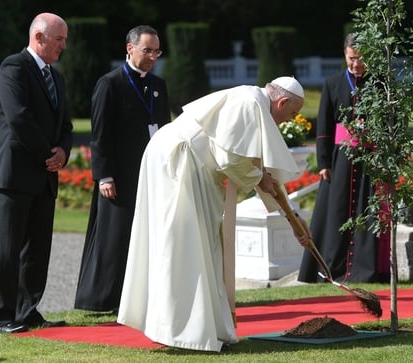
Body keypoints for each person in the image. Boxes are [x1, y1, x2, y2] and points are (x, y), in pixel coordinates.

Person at [116, 77, 309, 352]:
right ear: (283, 102)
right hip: (180, 163)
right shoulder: (251, 102)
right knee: (185, 247)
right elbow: (232, 160)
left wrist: (291, 217)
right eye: (291, 113)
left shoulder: (253, 102)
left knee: (198, 247)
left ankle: (199, 329)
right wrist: (258, 179)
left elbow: (255, 168)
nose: (288, 120)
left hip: (180, 161)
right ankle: (185, 332)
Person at [74, 25, 171, 313]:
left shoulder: (158, 86)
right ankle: (103, 299)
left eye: (157, 51)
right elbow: (100, 134)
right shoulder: (110, 83)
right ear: (130, 49)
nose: (153, 56)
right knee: (115, 238)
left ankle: (140, 297)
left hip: (149, 174)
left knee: (145, 237)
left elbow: (165, 130)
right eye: (147, 50)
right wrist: (104, 175)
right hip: (118, 175)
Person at [0, 13, 72, 334]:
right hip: (16, 174)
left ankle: (27, 310)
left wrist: (63, 151)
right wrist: (48, 155)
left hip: (45, 175)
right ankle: (0, 317)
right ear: (39, 38)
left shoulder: (57, 77)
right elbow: (18, 117)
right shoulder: (13, 68)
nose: (64, 46)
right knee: (8, 249)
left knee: (37, 249)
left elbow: (66, 125)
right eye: (60, 39)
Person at [297, 33, 390, 284]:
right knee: (335, 213)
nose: (356, 64)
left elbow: (389, 124)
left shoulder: (381, 84)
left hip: (371, 158)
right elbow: (324, 128)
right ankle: (330, 269)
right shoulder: (333, 83)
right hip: (341, 159)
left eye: (361, 58)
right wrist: (324, 162)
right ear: (344, 54)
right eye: (351, 58)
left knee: (368, 212)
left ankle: (366, 270)